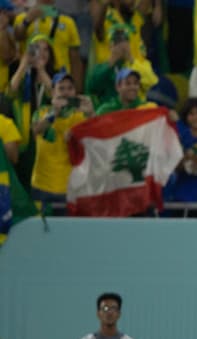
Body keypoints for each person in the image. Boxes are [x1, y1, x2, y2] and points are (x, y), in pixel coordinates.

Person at [29, 71, 92, 210]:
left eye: (70, 88)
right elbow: (36, 129)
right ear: (52, 92)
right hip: (42, 186)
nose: (66, 92)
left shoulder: (80, 116)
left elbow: (97, 136)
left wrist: (91, 114)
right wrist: (54, 113)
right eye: (61, 88)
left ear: (75, 92)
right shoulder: (42, 112)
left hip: (70, 188)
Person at [13, 0, 82, 90]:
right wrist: (27, 21)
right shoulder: (22, 18)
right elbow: (18, 36)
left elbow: (75, 59)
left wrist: (77, 89)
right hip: (29, 80)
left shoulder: (68, 22)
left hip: (60, 82)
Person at [85, 24, 158, 108]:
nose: (121, 46)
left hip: (135, 111)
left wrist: (130, 59)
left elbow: (152, 83)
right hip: (111, 113)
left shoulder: (140, 64)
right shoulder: (102, 68)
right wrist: (111, 62)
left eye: (124, 42)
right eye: (117, 43)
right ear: (111, 46)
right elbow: (91, 87)